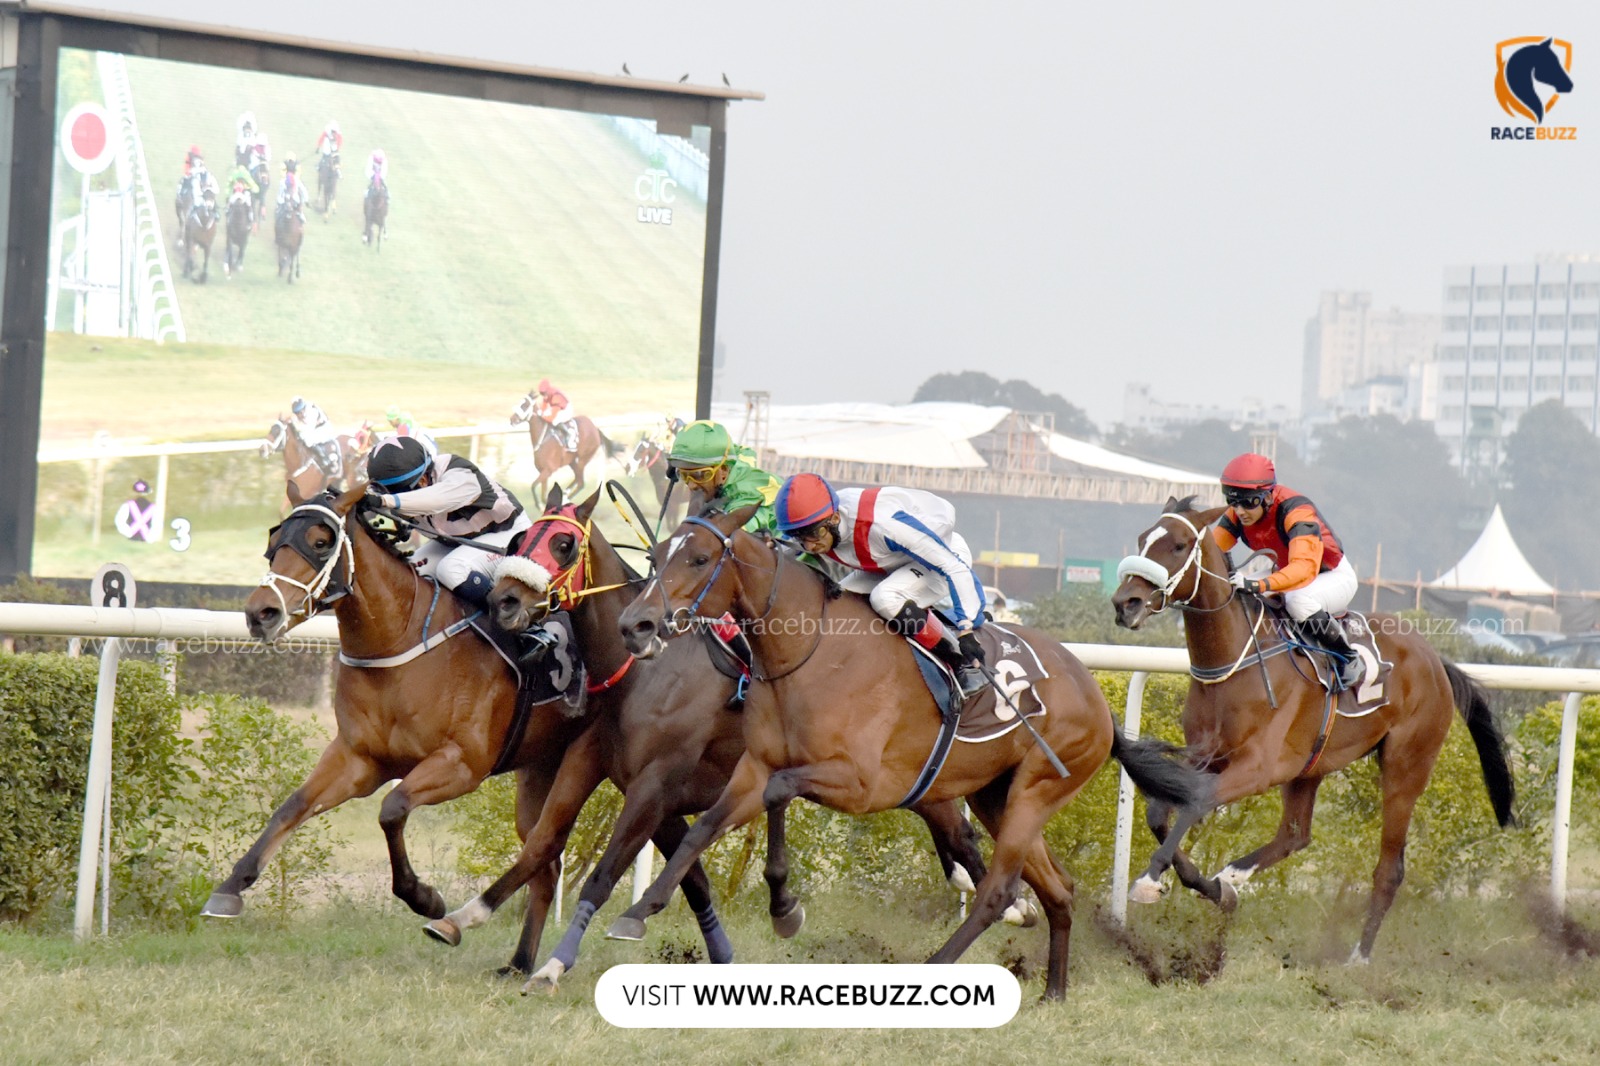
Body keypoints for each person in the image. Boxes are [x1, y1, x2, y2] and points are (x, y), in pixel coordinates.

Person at [773, 473, 989, 699]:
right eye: (798, 536)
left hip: (944, 557)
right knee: (835, 598)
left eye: (814, 533)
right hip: (892, 561)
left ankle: (960, 664)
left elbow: (953, 567)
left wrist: (967, 630)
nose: (808, 545)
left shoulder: (882, 524)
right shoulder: (821, 521)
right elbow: (785, 554)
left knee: (884, 597)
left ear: (835, 518)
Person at [1213, 452, 1363, 688]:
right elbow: (1210, 551)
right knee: (1235, 592)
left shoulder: (1296, 510)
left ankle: (1348, 656)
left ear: (1267, 496)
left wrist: (1258, 585)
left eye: (1249, 502)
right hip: (1288, 571)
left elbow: (1304, 569)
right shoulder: (1238, 512)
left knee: (1297, 601)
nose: (1240, 511)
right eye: (1233, 501)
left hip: (1330, 575)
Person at [364, 436, 532, 614]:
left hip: (511, 535)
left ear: (423, 480)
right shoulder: (395, 492)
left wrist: (385, 500)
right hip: (459, 543)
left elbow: (436, 499)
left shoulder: (458, 472)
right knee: (410, 571)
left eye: (397, 491)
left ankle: (516, 618)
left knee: (452, 569)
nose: (392, 496)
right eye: (385, 491)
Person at [664, 420, 780, 534]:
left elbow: (722, 541)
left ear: (723, 470)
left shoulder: (746, 501)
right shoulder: (732, 462)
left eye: (700, 475)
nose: (691, 485)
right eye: (684, 475)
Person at [289, 396, 340, 475]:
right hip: (315, 429)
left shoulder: (312, 411)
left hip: (324, 429)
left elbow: (308, 428)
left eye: (300, 412)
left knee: (307, 440)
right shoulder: (303, 411)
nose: (300, 415)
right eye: (297, 413)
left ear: (304, 408)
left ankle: (324, 459)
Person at [532, 379, 580, 453]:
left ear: (547, 391)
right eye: (542, 394)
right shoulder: (548, 394)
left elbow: (552, 418)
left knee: (555, 421)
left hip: (565, 409)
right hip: (556, 407)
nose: (543, 396)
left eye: (544, 394)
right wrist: (541, 412)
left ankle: (569, 434)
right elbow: (544, 407)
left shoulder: (556, 398)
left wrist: (542, 415)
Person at [276, 154, 308, 224]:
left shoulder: (296, 180)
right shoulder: (283, 181)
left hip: (294, 199)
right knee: (278, 212)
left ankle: (300, 213)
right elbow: (280, 193)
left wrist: (306, 199)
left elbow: (303, 190)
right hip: (284, 200)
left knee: (299, 206)